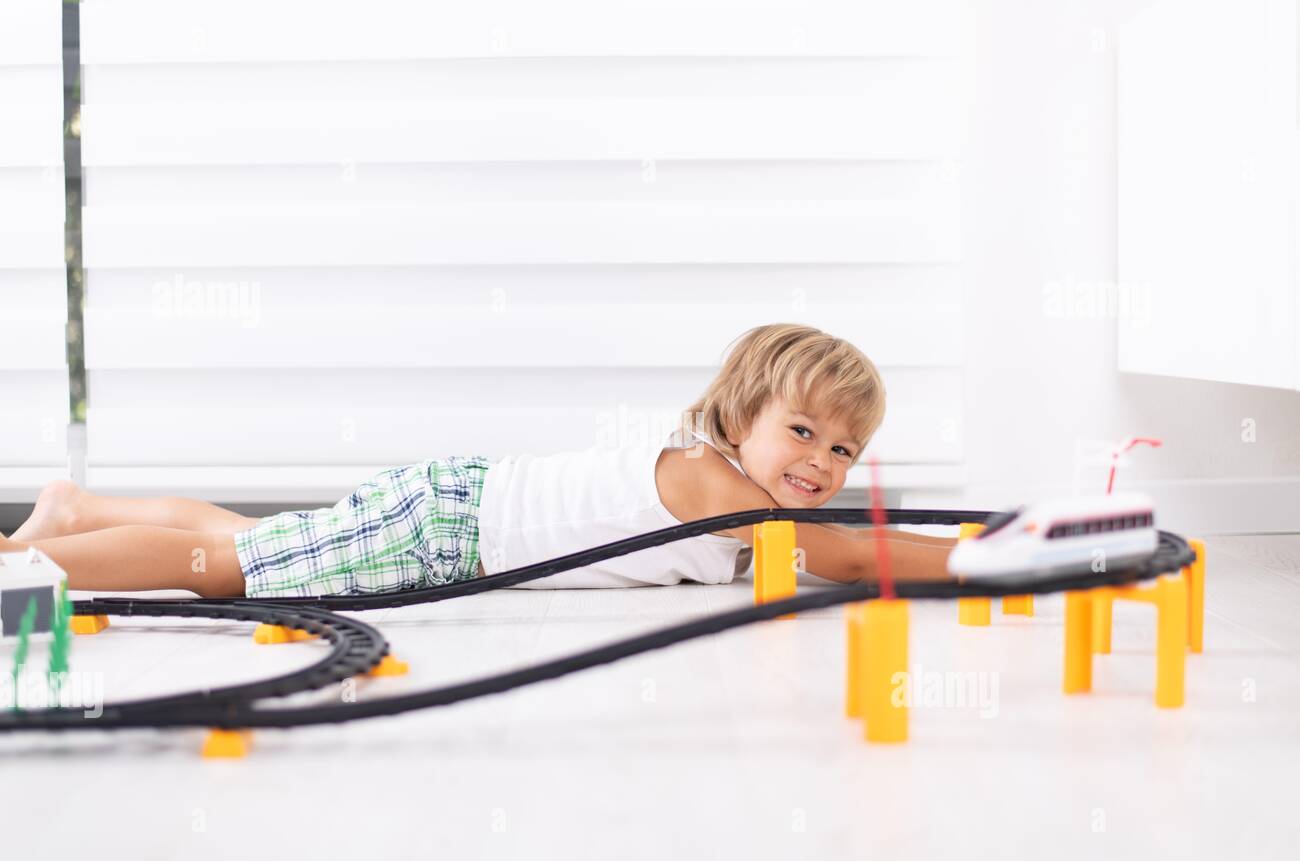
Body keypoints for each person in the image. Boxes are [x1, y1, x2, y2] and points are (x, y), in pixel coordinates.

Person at [0, 324, 955, 596]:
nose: (822, 462)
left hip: (456, 507)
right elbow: (858, 556)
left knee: (269, 539)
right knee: (231, 573)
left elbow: (845, 541)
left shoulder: (737, 491)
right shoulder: (722, 490)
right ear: (741, 414)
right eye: (803, 432)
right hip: (450, 530)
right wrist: (982, 556)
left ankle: (77, 511)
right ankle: (25, 567)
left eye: (843, 450)